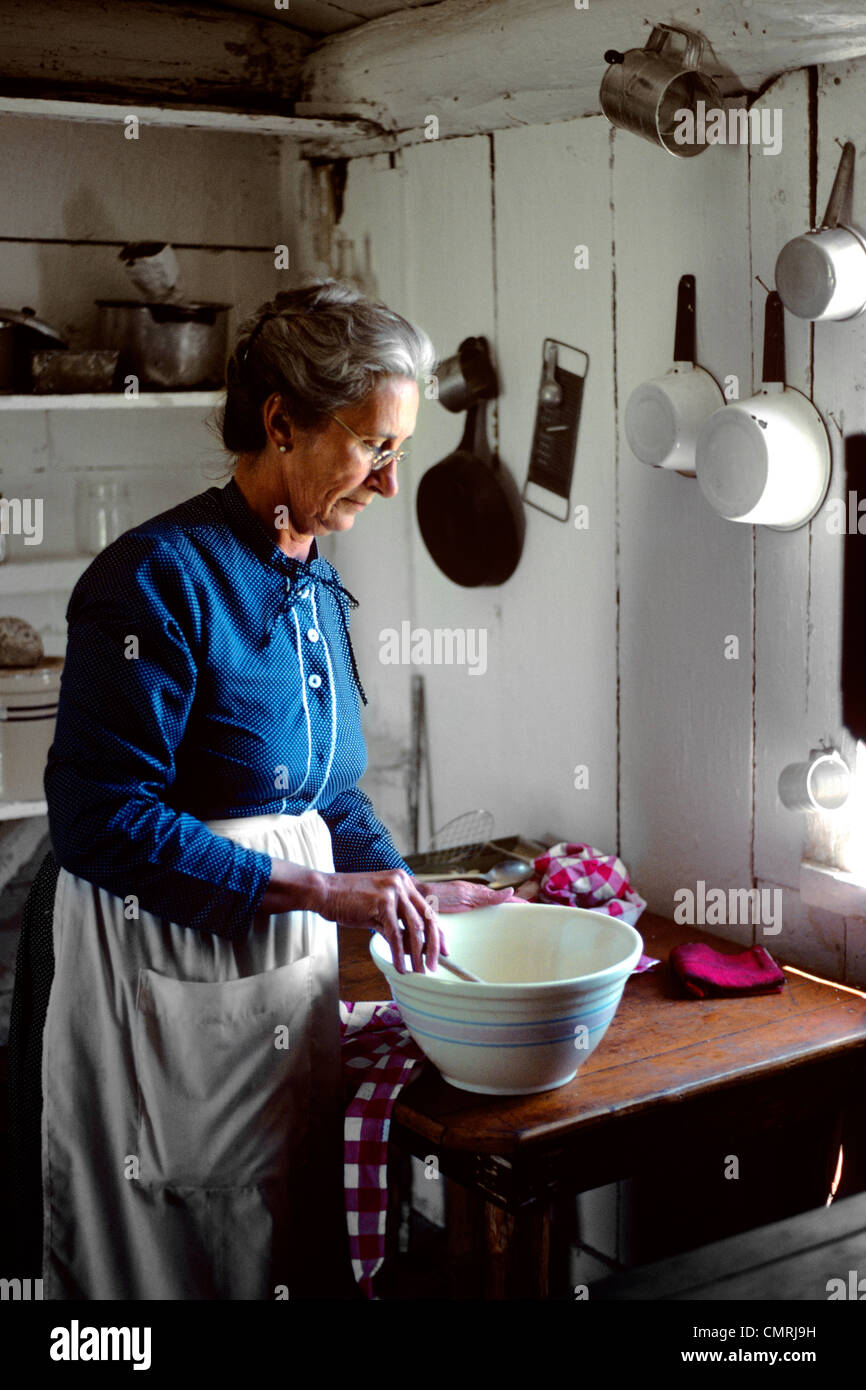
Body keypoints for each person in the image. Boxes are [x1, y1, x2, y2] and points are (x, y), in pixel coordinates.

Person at [7, 279, 512, 1300]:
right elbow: (101, 820)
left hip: (275, 978)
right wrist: (330, 897)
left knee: (270, 1240)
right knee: (168, 1258)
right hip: (155, 979)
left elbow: (321, 794)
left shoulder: (309, 572)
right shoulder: (154, 578)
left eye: (397, 450)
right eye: (371, 445)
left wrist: (400, 886)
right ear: (280, 423)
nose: (385, 482)